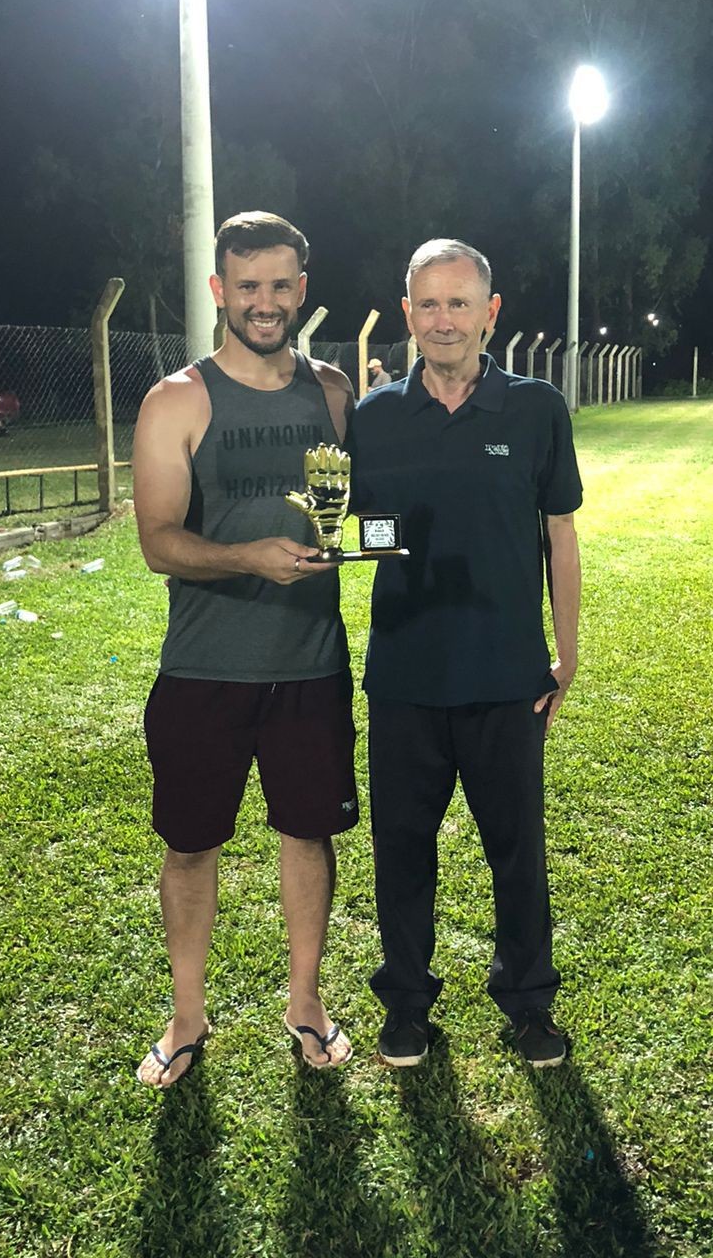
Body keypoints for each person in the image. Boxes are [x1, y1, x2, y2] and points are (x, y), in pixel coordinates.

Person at [131, 211, 359, 1088]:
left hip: (311, 662)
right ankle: (187, 1016)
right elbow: (158, 541)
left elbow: (355, 508)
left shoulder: (333, 391)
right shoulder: (177, 399)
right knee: (191, 846)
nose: (265, 302)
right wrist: (249, 557)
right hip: (204, 669)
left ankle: (305, 1002)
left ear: (302, 288)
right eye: (248, 286)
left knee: (309, 834)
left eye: (281, 285)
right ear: (220, 289)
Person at [347, 238, 583, 1070]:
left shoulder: (536, 409)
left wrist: (567, 652)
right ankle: (407, 1004)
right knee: (401, 852)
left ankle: (528, 1001)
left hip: (505, 674)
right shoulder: (374, 416)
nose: (443, 320)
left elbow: (560, 533)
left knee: (516, 851)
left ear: (491, 312)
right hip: (405, 675)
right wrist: (369, 546)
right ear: (407, 314)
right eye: (428, 304)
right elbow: (367, 527)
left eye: (459, 303)